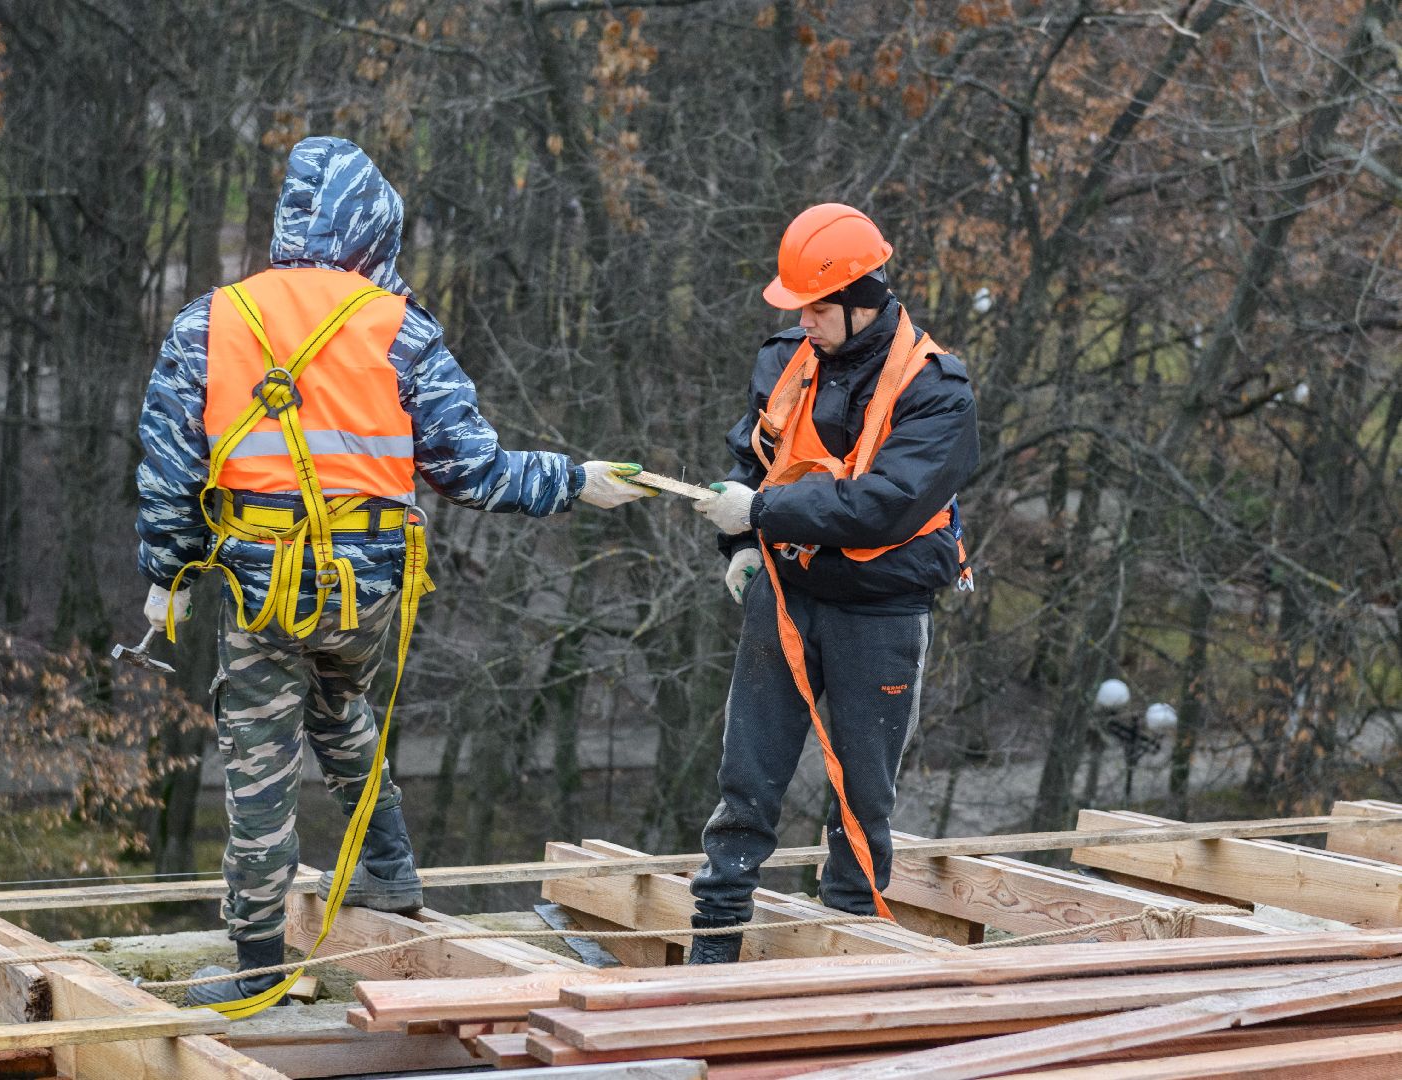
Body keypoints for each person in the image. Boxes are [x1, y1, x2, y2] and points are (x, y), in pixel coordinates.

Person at [132, 136, 655, 1005]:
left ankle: (258, 967)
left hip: (262, 585)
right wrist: (575, 480)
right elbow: (473, 470)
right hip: (369, 586)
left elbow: (167, 467)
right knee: (341, 708)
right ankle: (390, 869)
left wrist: (170, 570)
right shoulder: (399, 328)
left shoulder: (209, 322)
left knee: (258, 757)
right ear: (373, 230)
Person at [687, 203, 979, 963]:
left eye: (817, 307)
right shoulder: (788, 356)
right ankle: (714, 941)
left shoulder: (937, 390)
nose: (805, 321)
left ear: (862, 299)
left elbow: (882, 505)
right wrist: (738, 540)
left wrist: (762, 510)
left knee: (861, 797)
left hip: (881, 606)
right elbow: (751, 457)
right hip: (785, 590)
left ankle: (846, 950)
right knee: (746, 778)